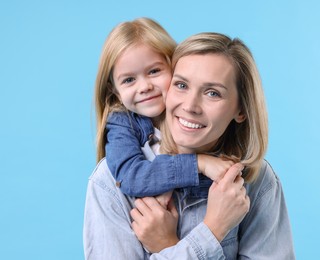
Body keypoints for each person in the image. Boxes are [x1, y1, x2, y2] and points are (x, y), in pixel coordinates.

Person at [84, 32, 295, 259]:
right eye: (182, 85)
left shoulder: (257, 180)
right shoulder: (109, 182)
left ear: (241, 110)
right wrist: (213, 231)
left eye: (212, 93)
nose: (190, 106)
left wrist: (168, 245)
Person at [94, 17, 234, 207]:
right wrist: (198, 163)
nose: (144, 86)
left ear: (174, 67)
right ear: (114, 90)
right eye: (128, 80)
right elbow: (132, 177)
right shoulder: (121, 124)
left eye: (154, 71)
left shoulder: (196, 121)